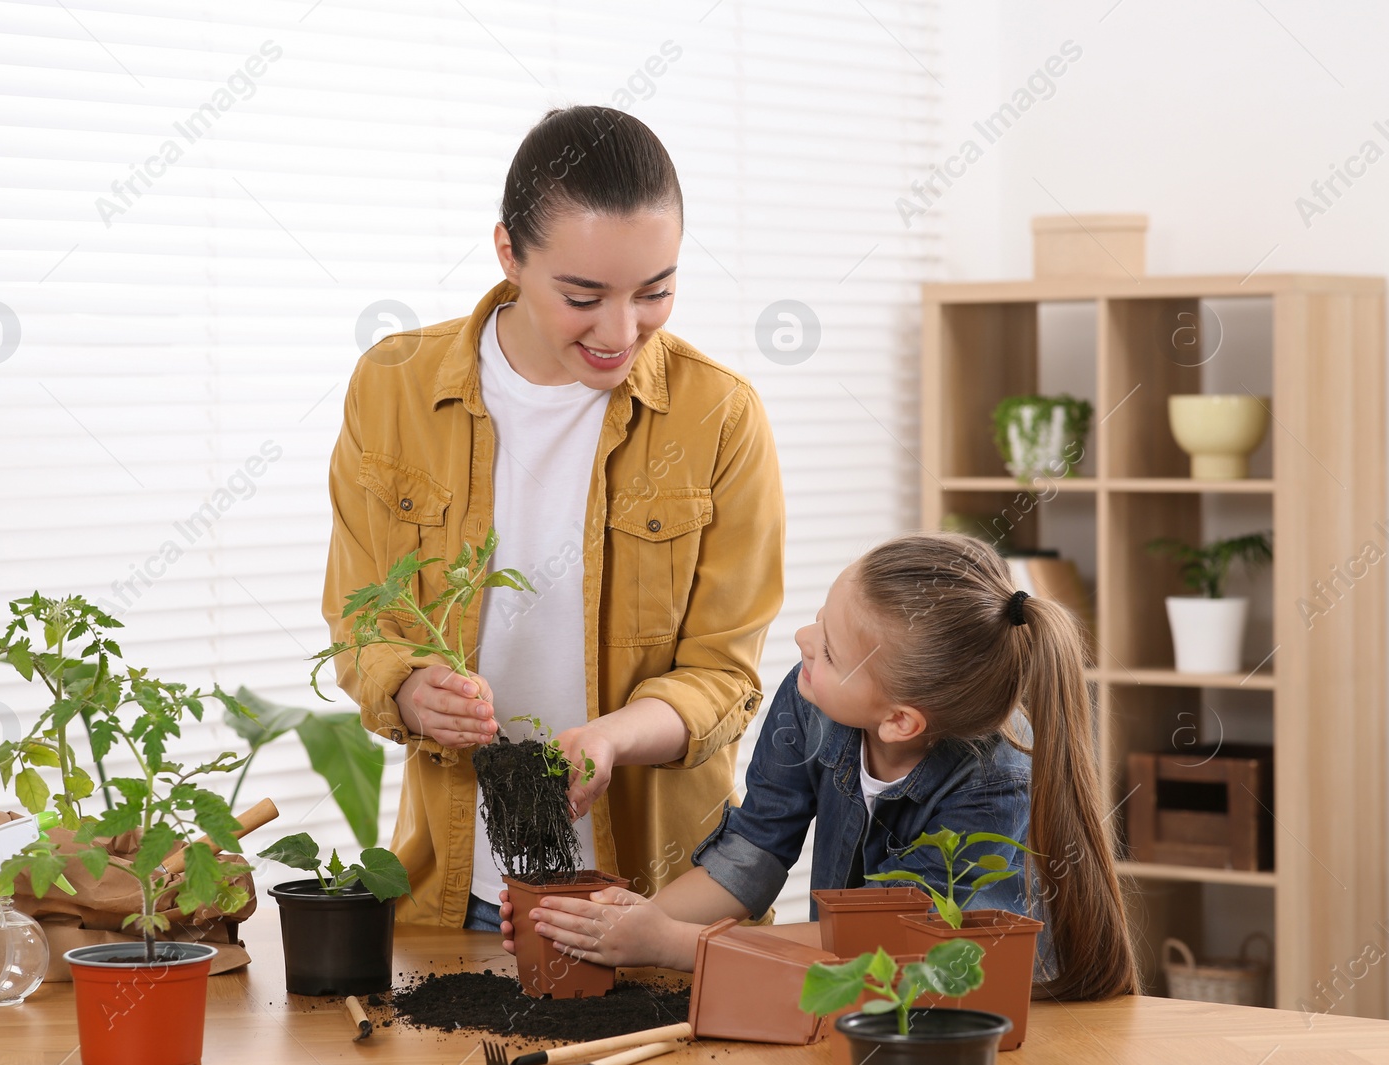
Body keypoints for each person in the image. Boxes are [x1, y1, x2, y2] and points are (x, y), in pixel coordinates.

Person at [322, 105, 785, 929]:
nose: (621, 331)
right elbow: (362, 621)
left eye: (657, 291)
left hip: (662, 904)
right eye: (583, 295)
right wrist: (410, 688)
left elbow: (726, 675)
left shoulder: (720, 415)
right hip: (459, 894)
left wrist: (613, 736)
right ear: (508, 253)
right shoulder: (391, 385)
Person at [506, 532, 1139, 1001]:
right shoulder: (813, 702)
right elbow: (751, 855)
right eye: (820, 620)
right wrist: (622, 925)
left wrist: (673, 946)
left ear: (900, 721)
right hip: (857, 1003)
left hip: (974, 1021)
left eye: (830, 649)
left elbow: (889, 954)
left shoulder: (994, 780)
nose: (805, 642)